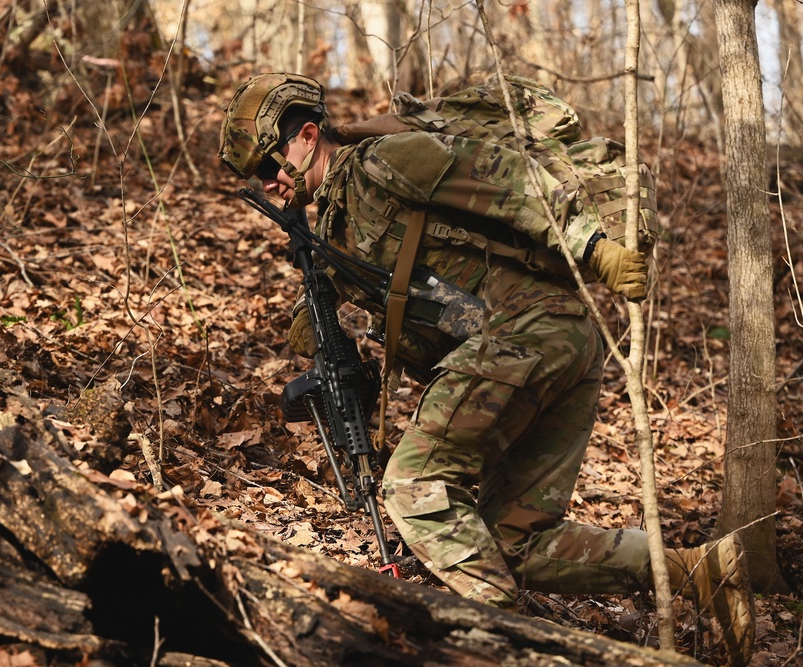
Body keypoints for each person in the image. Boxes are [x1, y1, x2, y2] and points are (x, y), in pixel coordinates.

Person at [219, 72, 754, 665]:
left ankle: (514, 649)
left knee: (413, 484)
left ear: (308, 136)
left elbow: (511, 181)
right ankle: (698, 570)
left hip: (527, 333)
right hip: (554, 344)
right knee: (516, 542)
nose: (267, 185)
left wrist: (594, 247)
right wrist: (313, 312)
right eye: (255, 180)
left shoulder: (383, 163)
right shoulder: (336, 227)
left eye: (269, 166)